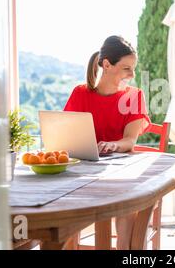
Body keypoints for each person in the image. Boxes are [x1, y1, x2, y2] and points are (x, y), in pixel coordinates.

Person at [63, 35, 151, 249]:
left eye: (133, 69)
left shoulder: (134, 96)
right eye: (126, 68)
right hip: (83, 173)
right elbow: (65, 135)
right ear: (106, 64)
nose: (132, 75)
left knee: (127, 203)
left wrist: (113, 145)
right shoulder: (80, 93)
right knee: (63, 201)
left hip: (121, 174)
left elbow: (130, 141)